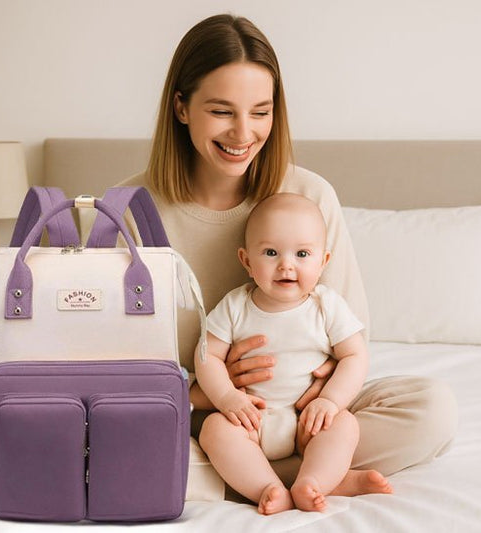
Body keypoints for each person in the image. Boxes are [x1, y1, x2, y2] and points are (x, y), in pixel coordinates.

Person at [119, 13, 457, 499]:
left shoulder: (310, 196)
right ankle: (318, 477)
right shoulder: (127, 213)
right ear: (181, 107)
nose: (243, 133)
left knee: (433, 408)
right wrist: (211, 391)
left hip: (306, 415)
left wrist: (323, 394)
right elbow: (111, 370)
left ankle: (249, 479)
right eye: (222, 111)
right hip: (205, 417)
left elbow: (350, 342)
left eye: (260, 112)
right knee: (124, 438)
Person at [195, 192, 392, 513]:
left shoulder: (326, 306)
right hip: (251, 421)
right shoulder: (235, 305)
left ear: (323, 262)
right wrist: (227, 398)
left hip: (309, 421)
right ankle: (268, 487)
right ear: (246, 261)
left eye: (302, 254)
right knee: (213, 430)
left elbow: (355, 356)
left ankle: (312, 481)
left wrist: (330, 401)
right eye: (271, 252)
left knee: (344, 425)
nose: (286, 265)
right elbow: (207, 356)